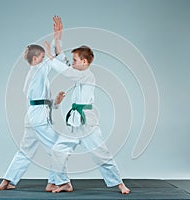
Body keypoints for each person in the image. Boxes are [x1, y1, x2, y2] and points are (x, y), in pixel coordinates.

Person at [44, 20, 130, 194]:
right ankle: (63, 183)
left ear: (84, 62)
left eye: (75, 60)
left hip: (88, 124)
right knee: (58, 150)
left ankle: (119, 183)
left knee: (101, 154)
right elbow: (63, 61)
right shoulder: (78, 72)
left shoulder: (87, 75)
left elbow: (65, 70)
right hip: (74, 124)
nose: (72, 62)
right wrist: (57, 36)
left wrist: (48, 56)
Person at [0, 17, 68, 192]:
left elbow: (41, 100)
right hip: (39, 119)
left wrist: (55, 102)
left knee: (25, 150)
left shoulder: (34, 75)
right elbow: (53, 59)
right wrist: (56, 37)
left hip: (32, 117)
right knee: (57, 148)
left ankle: (8, 180)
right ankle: (58, 182)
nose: (46, 60)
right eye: (42, 57)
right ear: (35, 59)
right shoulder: (37, 70)